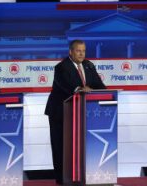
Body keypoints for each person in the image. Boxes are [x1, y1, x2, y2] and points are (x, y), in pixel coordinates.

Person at [45, 40, 106, 184]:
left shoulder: (89, 65)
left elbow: (99, 85)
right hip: (60, 112)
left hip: (80, 113)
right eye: (78, 51)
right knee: (60, 146)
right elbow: (66, 86)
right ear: (70, 52)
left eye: (84, 51)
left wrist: (104, 91)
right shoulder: (61, 67)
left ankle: (80, 176)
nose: (81, 54)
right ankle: (62, 180)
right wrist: (79, 89)